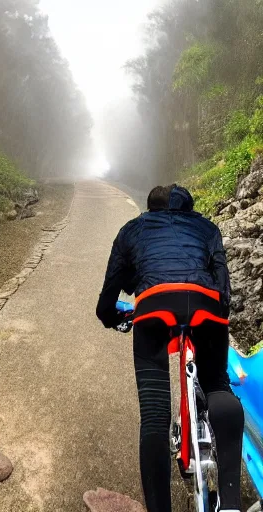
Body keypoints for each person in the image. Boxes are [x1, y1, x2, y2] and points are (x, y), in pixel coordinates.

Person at [96, 184, 245, 512]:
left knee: (154, 415)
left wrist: (117, 317)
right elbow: (223, 287)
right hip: (206, 305)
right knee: (217, 384)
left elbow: (107, 301)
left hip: (154, 306)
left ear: (150, 208)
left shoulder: (133, 229)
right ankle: (232, 501)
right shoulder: (207, 227)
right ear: (189, 207)